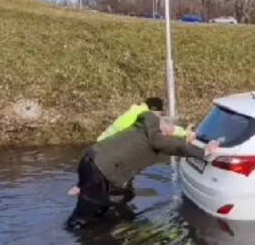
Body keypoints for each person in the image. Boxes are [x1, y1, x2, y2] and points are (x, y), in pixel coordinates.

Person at [68, 108, 218, 227]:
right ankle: (75, 231)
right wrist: (204, 151)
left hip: (92, 160)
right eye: (169, 134)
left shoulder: (144, 126)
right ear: (164, 130)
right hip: (100, 168)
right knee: (87, 210)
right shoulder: (155, 137)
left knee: (106, 200)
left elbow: (170, 144)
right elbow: (170, 145)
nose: (169, 137)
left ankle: (88, 200)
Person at [97, 97, 189, 142]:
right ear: (154, 110)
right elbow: (167, 129)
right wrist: (186, 133)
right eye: (160, 113)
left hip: (100, 146)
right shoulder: (145, 116)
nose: (159, 116)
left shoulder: (136, 111)